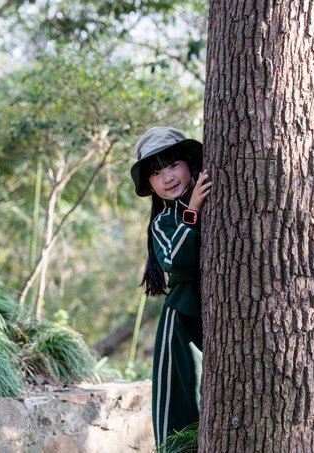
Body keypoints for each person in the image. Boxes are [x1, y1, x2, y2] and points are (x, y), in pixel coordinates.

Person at [130, 126, 212, 450]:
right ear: (149, 184)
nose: (167, 178)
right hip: (181, 324)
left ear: (190, 164)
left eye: (173, 165)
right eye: (156, 172)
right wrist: (193, 211)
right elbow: (179, 261)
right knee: (180, 409)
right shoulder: (163, 222)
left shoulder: (215, 196)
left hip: (215, 320)